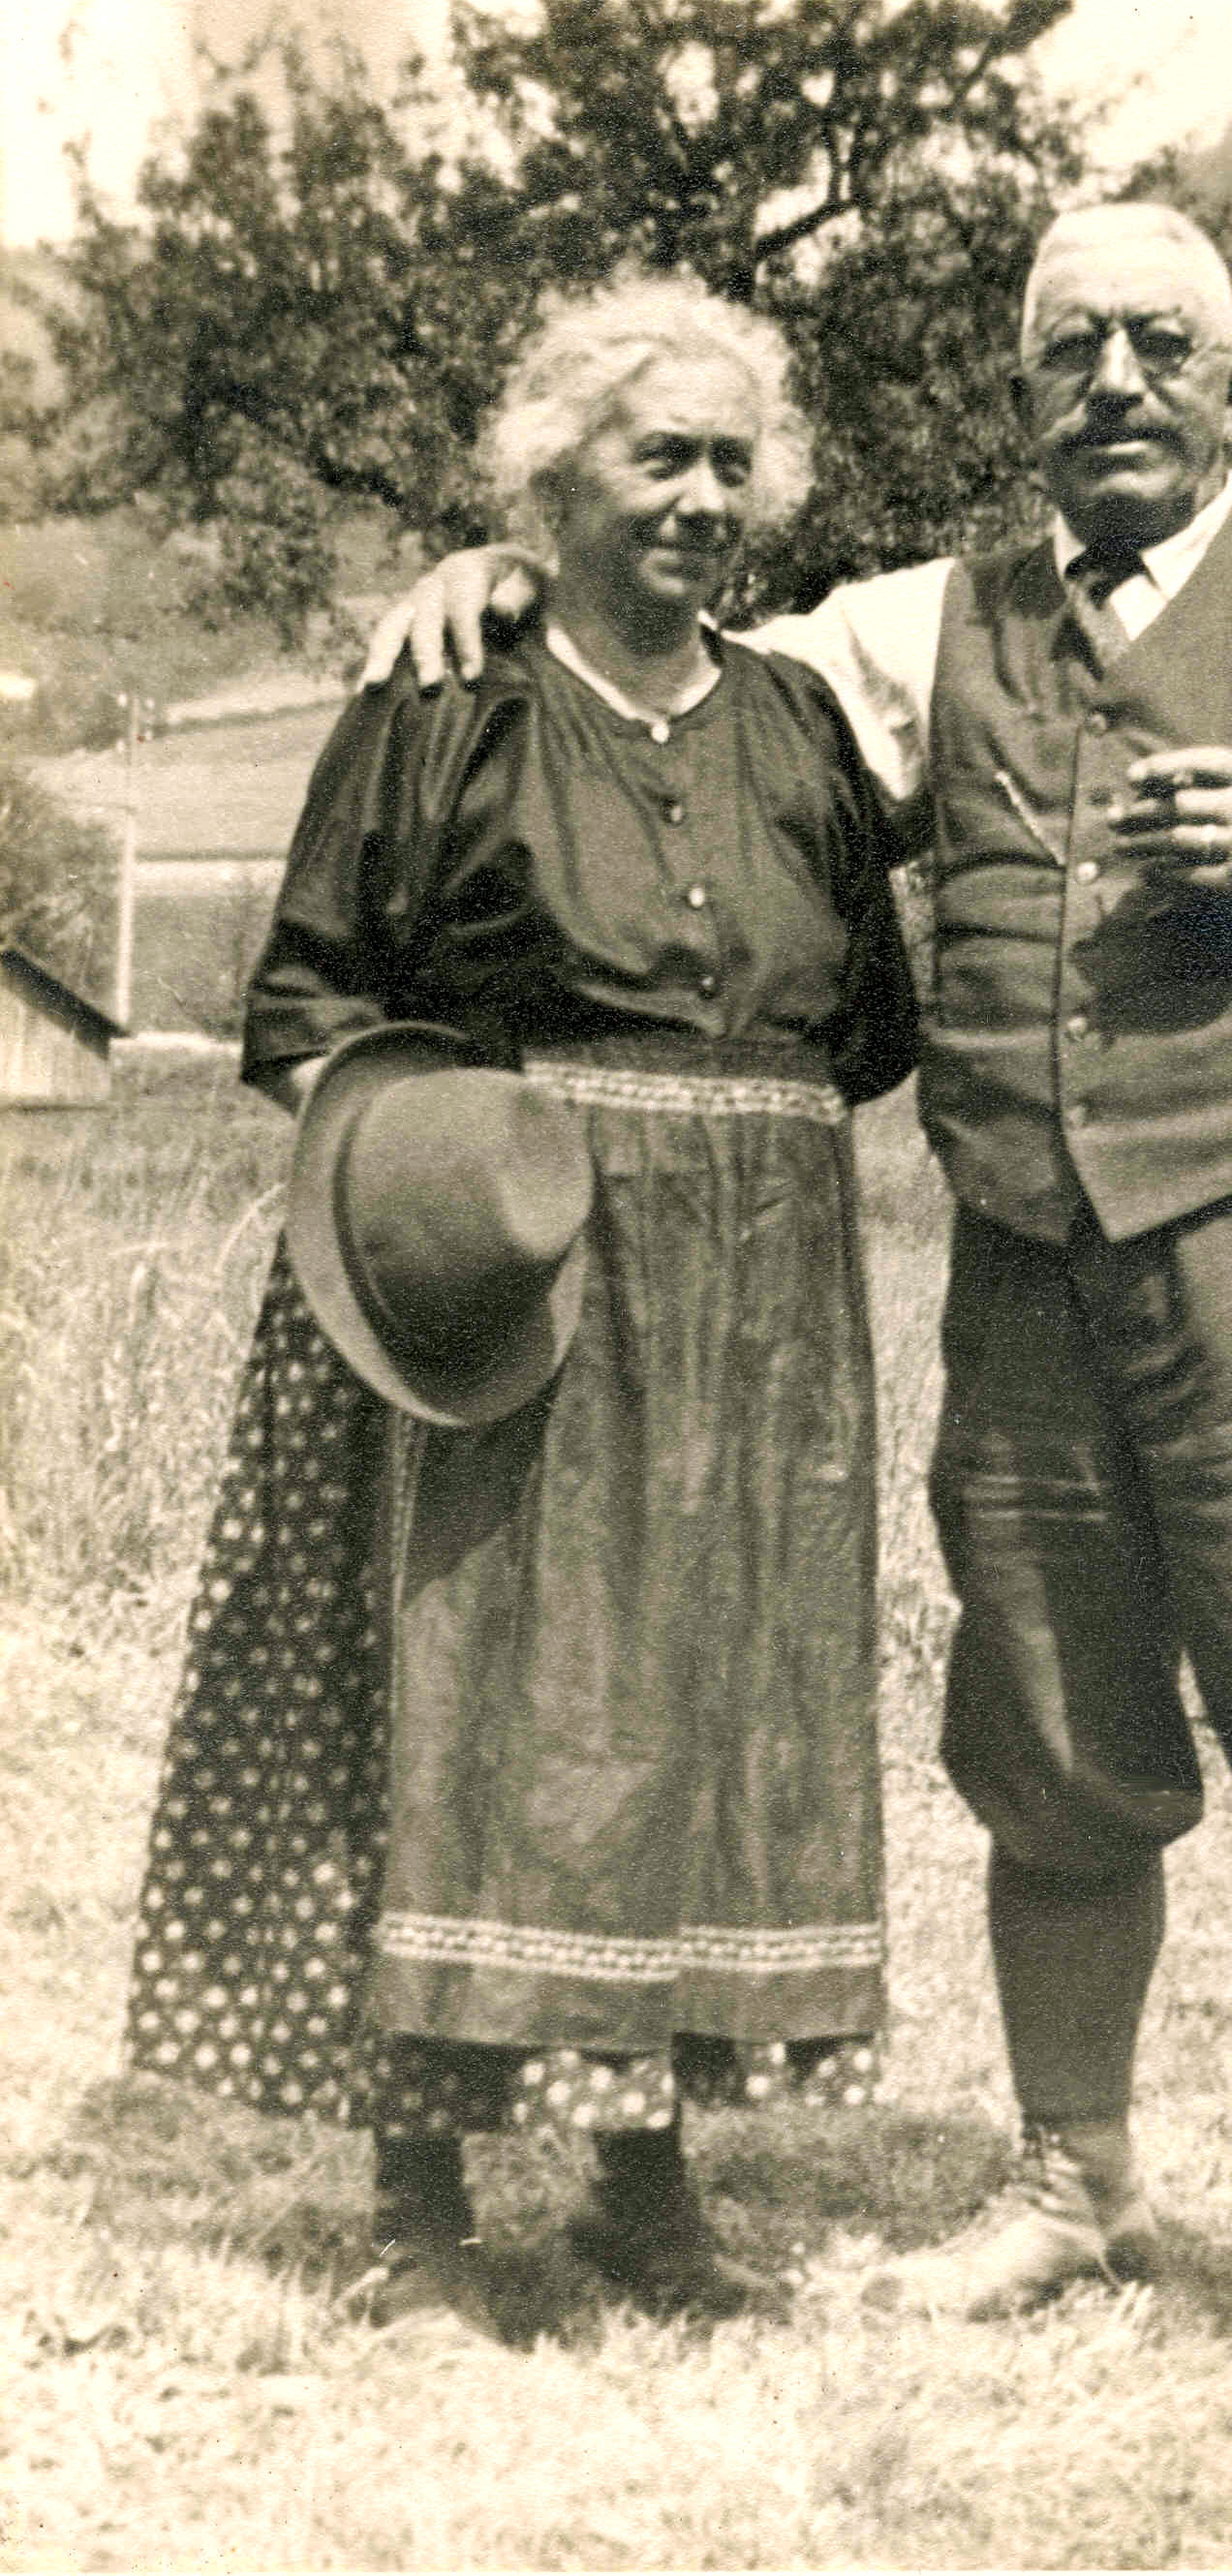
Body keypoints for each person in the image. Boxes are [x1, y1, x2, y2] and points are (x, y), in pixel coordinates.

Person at [364, 201, 1232, 2490]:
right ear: (1023, 395)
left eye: (1164, 345)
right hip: (1036, 1289)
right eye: (1071, 347)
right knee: (1053, 1749)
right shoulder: (918, 629)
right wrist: (498, 577)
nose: (1116, 378)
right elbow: (669, 664)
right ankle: (1070, 2177)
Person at [123, 270, 920, 2340]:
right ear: (555, 482)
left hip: (756, 1316)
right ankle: (422, 2209)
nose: (704, 497)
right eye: (661, 456)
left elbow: (866, 1031)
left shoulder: (798, 725)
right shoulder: (447, 699)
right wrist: (454, 1187)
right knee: (471, 1715)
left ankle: (646, 2190)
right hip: (506, 1290)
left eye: (735, 462)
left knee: (690, 1721)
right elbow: (308, 1003)